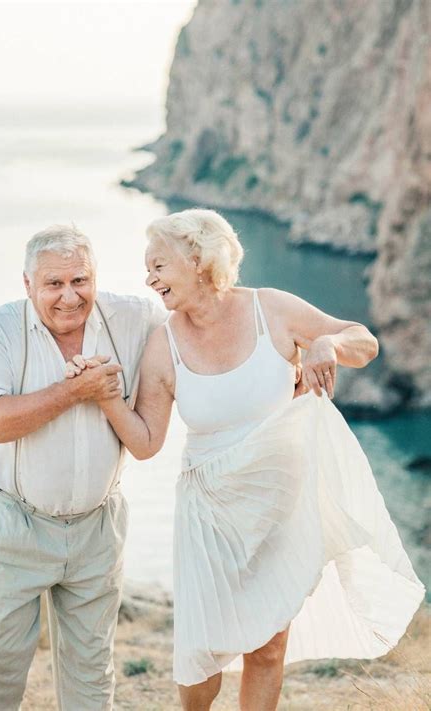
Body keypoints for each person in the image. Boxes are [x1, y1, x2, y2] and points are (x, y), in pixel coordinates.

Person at [67, 209, 425, 711]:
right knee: (203, 654)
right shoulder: (162, 344)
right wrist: (106, 398)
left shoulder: (271, 309)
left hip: (280, 503)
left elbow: (363, 342)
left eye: (159, 266)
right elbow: (147, 442)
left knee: (268, 645)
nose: (149, 278)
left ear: (197, 259)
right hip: (209, 512)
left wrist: (326, 341)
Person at [0, 224, 165, 711]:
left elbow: (204, 316)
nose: (70, 297)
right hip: (15, 524)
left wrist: (297, 352)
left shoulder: (136, 317)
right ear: (28, 284)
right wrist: (76, 392)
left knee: (92, 671)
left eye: (81, 281)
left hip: (99, 526)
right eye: (54, 284)